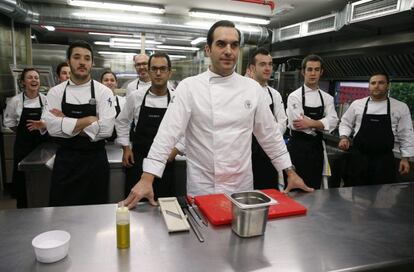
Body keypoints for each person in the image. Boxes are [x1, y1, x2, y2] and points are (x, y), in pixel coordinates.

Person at [123, 20, 313, 208]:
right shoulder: (190, 87)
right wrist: (147, 178)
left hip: (241, 188)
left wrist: (289, 172)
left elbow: (270, 136)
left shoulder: (252, 89)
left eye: (234, 45)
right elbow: (167, 134)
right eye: (221, 44)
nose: (228, 51)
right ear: (208, 49)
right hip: (203, 186)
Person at [42, 40, 116, 206]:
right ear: (68, 61)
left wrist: (65, 122)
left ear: (92, 63)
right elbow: (51, 128)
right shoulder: (55, 92)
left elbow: (106, 130)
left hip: (95, 163)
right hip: (65, 162)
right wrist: (89, 120)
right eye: (77, 57)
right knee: (61, 213)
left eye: (87, 58)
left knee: (96, 217)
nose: (82, 62)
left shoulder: (104, 92)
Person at [116, 52, 181, 199]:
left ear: (169, 72)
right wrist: (126, 147)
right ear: (149, 71)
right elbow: (122, 121)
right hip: (138, 160)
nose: (158, 73)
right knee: (135, 205)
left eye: (163, 69)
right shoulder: (136, 96)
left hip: (165, 163)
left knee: (163, 205)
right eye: (154, 69)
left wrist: (176, 151)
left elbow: (187, 130)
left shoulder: (177, 99)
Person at [338, 71, 414, 186]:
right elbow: (345, 122)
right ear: (369, 86)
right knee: (353, 193)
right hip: (358, 158)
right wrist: (344, 137)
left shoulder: (400, 107)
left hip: (383, 161)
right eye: (373, 83)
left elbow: (406, 133)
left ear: (388, 85)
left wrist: (405, 158)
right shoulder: (357, 104)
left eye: (381, 83)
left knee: (382, 197)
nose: (376, 85)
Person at [286, 54, 338, 189]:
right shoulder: (294, 96)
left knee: (314, 187)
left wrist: (310, 123)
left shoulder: (327, 98)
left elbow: (333, 121)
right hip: (297, 148)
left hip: (316, 149)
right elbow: (297, 124)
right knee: (294, 188)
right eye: (309, 69)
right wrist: (321, 124)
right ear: (303, 72)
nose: (313, 73)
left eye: (316, 70)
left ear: (321, 72)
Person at [3, 68, 47, 208]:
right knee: (22, 179)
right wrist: (23, 132)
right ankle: (23, 208)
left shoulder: (45, 100)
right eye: (30, 77)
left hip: (42, 146)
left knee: (42, 178)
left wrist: (41, 127)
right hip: (23, 146)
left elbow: (50, 121)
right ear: (23, 82)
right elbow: (9, 122)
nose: (34, 80)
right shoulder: (15, 101)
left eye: (36, 77)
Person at [249, 48, 287, 190]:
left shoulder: (274, 94)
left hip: (268, 155)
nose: (267, 68)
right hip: (246, 154)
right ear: (252, 67)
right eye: (262, 64)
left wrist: (267, 134)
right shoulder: (244, 91)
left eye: (270, 64)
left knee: (269, 193)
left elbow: (282, 121)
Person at [101, 70, 125, 142]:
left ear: (116, 84)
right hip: (100, 144)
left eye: (112, 80)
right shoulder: (96, 102)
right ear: (101, 83)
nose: (109, 82)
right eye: (106, 80)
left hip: (118, 146)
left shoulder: (123, 101)